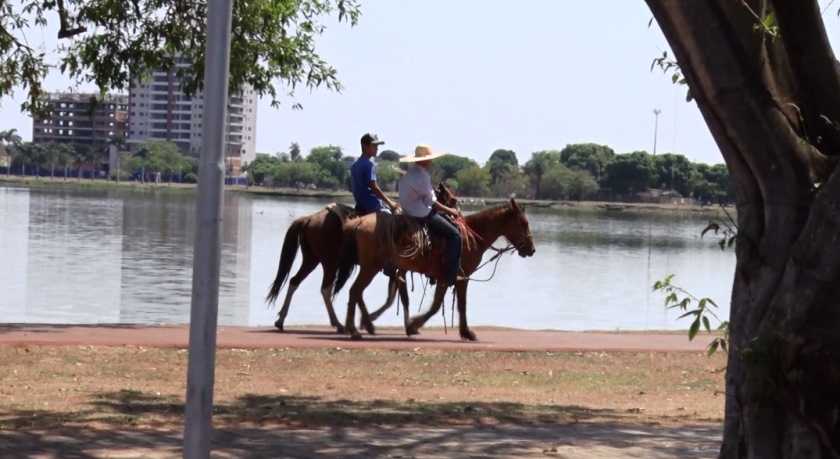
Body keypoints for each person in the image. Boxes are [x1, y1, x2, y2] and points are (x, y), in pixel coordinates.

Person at [398, 144, 463, 286]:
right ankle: (450, 276)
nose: (431, 161)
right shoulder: (421, 175)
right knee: (455, 235)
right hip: (420, 214)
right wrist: (451, 210)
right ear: (423, 160)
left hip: (407, 212)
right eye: (429, 158)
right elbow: (432, 202)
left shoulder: (408, 174)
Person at [349, 132, 399, 214]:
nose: (377, 149)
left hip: (360, 206)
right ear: (365, 146)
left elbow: (350, 188)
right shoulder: (369, 165)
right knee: (394, 217)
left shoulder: (354, 166)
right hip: (372, 206)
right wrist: (390, 203)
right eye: (374, 146)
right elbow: (374, 187)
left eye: (377, 146)